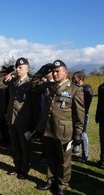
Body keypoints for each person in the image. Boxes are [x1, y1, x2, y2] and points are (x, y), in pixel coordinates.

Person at [31, 60, 84, 195]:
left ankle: (62, 185)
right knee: (50, 157)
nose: (54, 74)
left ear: (65, 73)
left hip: (63, 131)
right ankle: (50, 180)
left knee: (64, 160)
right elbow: (33, 86)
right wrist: (41, 72)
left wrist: (78, 133)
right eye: (53, 71)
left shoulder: (74, 89)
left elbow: (79, 114)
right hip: (47, 128)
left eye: (57, 71)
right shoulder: (48, 86)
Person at [5, 57, 33, 180]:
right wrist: (8, 71)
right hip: (12, 118)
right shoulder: (12, 82)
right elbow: (0, 82)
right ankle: (17, 166)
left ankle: (25, 168)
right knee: (15, 145)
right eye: (16, 67)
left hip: (24, 120)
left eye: (20, 67)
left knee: (24, 146)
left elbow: (34, 104)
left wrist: (33, 121)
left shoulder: (31, 83)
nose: (17, 69)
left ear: (27, 69)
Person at [71, 71, 93, 162]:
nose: (73, 79)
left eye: (75, 77)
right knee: (74, 132)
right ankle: (75, 149)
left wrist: (82, 113)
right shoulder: (73, 87)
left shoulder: (86, 88)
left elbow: (85, 104)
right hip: (73, 114)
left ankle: (85, 155)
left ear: (80, 78)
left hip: (82, 115)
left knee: (82, 134)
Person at [0, 65, 14, 147]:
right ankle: (4, 138)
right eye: (3, 73)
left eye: (5, 73)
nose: (4, 75)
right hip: (1, 106)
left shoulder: (11, 82)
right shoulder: (4, 82)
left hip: (8, 106)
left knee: (7, 126)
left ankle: (8, 140)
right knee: (2, 124)